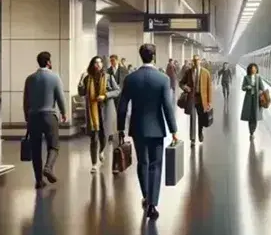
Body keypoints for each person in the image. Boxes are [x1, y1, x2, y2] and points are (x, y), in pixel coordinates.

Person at [117, 44, 178, 220]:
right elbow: (167, 107)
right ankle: (152, 203)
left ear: (141, 56)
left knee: (142, 163)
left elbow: (122, 107)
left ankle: (145, 196)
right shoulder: (163, 79)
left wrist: (121, 128)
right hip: (157, 129)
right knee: (156, 165)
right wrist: (173, 129)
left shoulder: (130, 79)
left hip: (137, 128)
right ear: (154, 56)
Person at [23, 51, 67, 189]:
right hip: (49, 116)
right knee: (54, 145)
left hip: (33, 117)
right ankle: (48, 168)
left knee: (35, 149)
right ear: (48, 62)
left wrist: (27, 116)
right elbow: (60, 97)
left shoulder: (29, 79)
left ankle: (38, 180)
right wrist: (64, 112)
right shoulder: (54, 77)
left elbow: (26, 100)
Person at [78, 56, 120, 174]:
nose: (98, 64)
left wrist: (105, 95)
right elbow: (81, 93)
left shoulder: (108, 77)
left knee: (104, 136)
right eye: (96, 62)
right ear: (92, 65)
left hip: (105, 111)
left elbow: (117, 91)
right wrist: (81, 82)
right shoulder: (87, 78)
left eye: (100, 62)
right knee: (94, 137)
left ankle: (102, 150)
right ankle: (94, 164)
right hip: (93, 112)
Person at [179, 54, 213, 148]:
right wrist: (185, 87)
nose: (196, 62)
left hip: (202, 99)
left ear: (200, 61)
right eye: (194, 60)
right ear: (192, 61)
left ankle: (200, 132)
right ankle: (192, 139)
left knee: (201, 118)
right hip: (192, 98)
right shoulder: (188, 72)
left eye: (197, 60)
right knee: (192, 118)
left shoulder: (206, 73)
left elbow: (209, 88)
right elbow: (181, 83)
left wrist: (209, 102)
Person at [241, 63, 264, 139]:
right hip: (249, 99)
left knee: (255, 115)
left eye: (255, 68)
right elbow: (243, 88)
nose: (254, 70)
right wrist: (247, 87)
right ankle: (251, 132)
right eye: (252, 68)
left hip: (256, 99)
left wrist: (260, 91)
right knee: (250, 116)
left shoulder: (258, 77)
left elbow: (262, 87)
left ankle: (253, 130)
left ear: (257, 69)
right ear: (250, 70)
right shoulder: (246, 77)